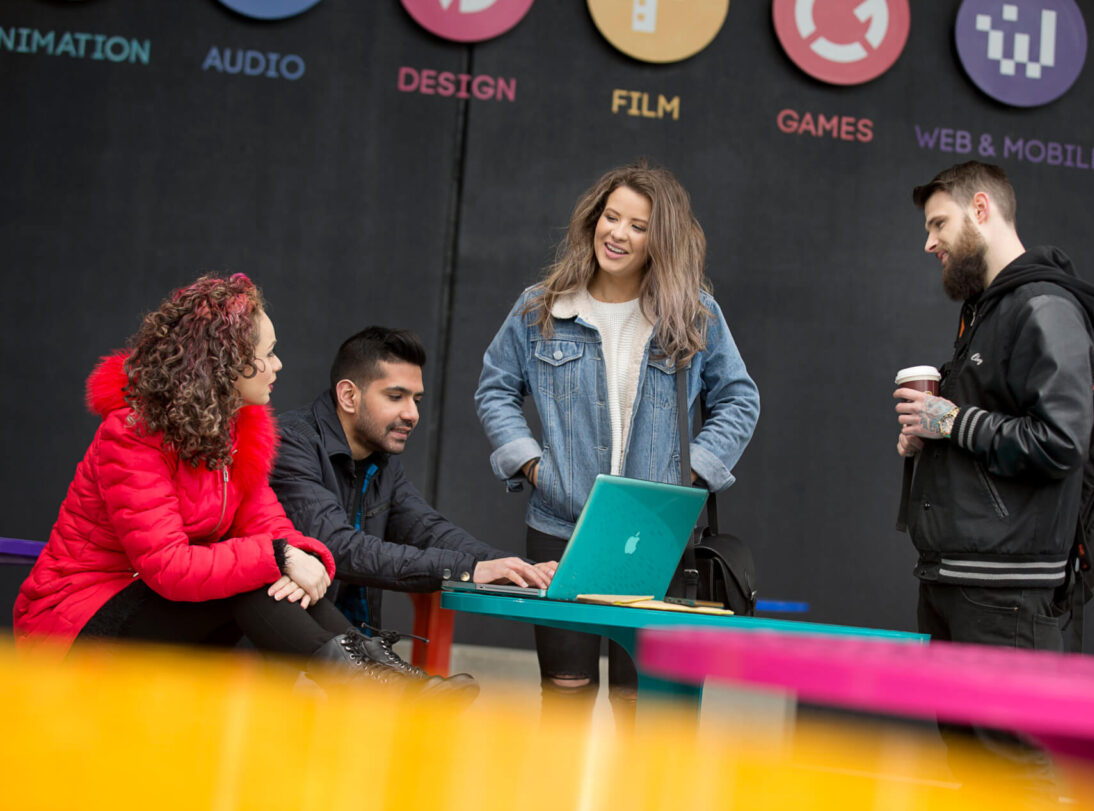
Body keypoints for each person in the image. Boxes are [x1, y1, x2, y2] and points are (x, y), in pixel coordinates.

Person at [12, 274, 466, 698]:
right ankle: (368, 681)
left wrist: (301, 556)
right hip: (78, 622)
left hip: (160, 607)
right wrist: (278, 557)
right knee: (251, 575)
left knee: (263, 571)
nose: (277, 364)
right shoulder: (132, 434)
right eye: (267, 353)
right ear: (225, 361)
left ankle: (375, 672)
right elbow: (168, 566)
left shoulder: (238, 433)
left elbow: (269, 523)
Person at [475, 160, 761, 728]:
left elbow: (740, 400)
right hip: (559, 529)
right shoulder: (542, 307)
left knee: (643, 706)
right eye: (612, 217)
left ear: (662, 238)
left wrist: (688, 477)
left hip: (653, 535)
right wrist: (533, 466)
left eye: (638, 225)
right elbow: (495, 389)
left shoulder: (693, 313)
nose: (619, 234)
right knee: (565, 694)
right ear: (593, 220)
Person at [894, 161, 1094, 794]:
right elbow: (985, 431)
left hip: (1005, 593)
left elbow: (1062, 441)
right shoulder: (986, 310)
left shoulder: (1043, 306)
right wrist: (929, 438)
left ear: (980, 209)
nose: (929, 243)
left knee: (1011, 772)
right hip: (959, 579)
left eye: (939, 224)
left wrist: (953, 423)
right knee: (975, 773)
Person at [269, 326, 556, 636]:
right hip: (279, 658)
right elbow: (338, 546)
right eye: (396, 397)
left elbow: (429, 530)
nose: (412, 414)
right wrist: (467, 570)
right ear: (349, 396)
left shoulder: (379, 460)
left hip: (348, 648)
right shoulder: (291, 443)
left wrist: (515, 567)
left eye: (416, 399)